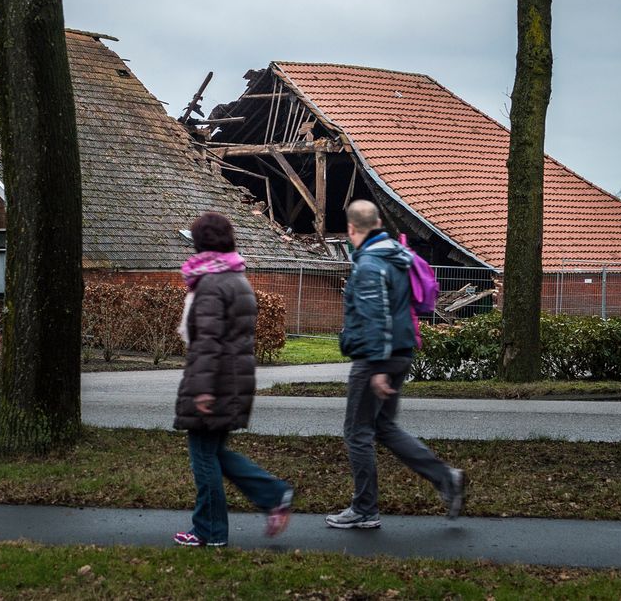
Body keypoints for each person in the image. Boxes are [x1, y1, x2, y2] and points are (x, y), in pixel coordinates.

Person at [327, 200, 467, 530]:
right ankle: (447, 479)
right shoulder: (398, 256)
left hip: (378, 357)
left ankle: (364, 509)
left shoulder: (371, 265)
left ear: (351, 230)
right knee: (383, 427)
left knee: (357, 432)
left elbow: (376, 315)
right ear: (378, 223)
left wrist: (376, 367)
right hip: (401, 350)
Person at [172, 211, 293, 547]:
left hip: (216, 383)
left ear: (199, 242)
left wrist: (202, 390)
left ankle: (210, 532)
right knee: (214, 453)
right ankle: (273, 493)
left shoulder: (211, 283)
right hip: (235, 380)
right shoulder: (236, 277)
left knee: (203, 456)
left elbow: (208, 342)